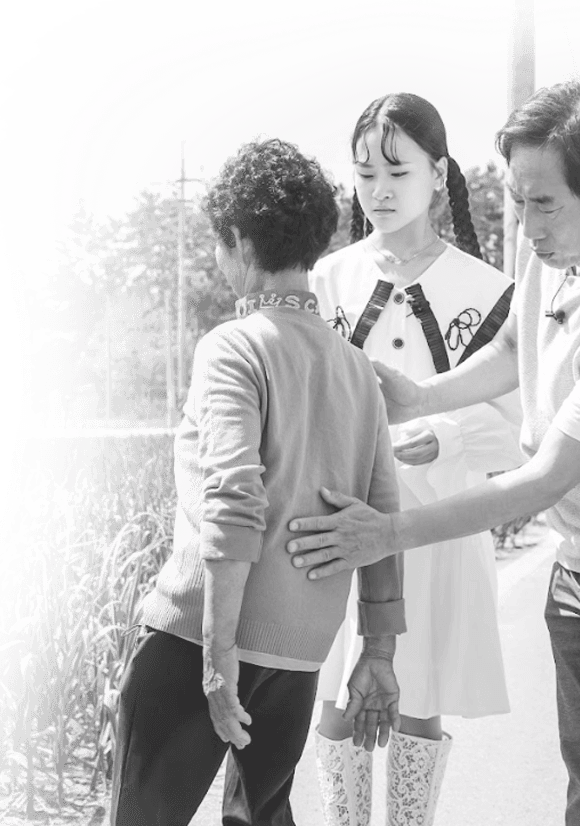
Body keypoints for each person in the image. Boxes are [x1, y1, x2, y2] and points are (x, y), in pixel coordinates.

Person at [286, 80, 580, 826]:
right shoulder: (568, 238)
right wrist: (420, 396)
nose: (525, 227)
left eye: (543, 205)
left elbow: (541, 479)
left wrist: (385, 532)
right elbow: (512, 345)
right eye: (517, 200)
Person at [109, 137, 406, 826]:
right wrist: (379, 649)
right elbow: (382, 519)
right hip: (299, 650)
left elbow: (234, 501)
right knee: (260, 818)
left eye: (219, 245)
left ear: (241, 243)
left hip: (199, 637)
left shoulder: (233, 346)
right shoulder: (356, 369)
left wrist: (218, 660)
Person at [308, 92, 523, 826]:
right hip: (339, 520)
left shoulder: (489, 291)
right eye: (365, 173)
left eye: (397, 172)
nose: (379, 190)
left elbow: (521, 428)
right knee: (334, 700)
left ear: (438, 173)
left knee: (419, 703)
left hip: (440, 524)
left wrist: (450, 438)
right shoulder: (324, 281)